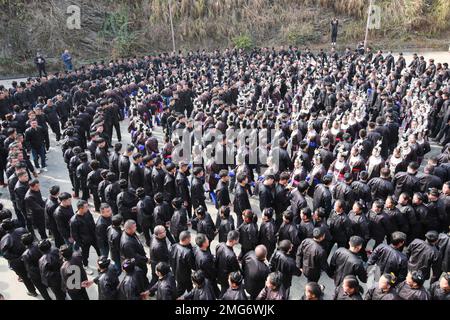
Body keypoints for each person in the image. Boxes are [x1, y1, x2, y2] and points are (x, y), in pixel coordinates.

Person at [0, 219, 37, 297]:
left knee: (25, 277)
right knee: (35, 271)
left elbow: (5, 254)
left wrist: (18, 257)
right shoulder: (22, 230)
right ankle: (42, 286)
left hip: (18, 261)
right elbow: (31, 238)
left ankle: (32, 291)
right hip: (29, 255)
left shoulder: (4, 239)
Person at [70, 200, 99, 273]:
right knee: (85, 255)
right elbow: (74, 235)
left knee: (99, 250)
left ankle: (102, 262)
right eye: (86, 207)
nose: (88, 208)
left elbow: (92, 223)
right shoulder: (74, 220)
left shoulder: (87, 213)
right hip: (84, 241)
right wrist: (81, 243)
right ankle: (85, 266)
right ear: (80, 208)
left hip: (93, 237)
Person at [21, 233, 52, 300]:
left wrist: (29, 275)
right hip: (45, 269)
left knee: (42, 289)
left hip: (36, 274)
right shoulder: (39, 245)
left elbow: (29, 268)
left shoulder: (25, 254)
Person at [170, 230, 195, 297]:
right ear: (186, 239)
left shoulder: (173, 246)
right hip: (184, 276)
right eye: (190, 238)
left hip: (176, 272)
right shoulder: (187, 252)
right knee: (181, 290)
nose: (190, 240)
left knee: (188, 287)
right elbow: (192, 265)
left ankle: (192, 296)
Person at [215, 230, 240, 296]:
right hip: (226, 279)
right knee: (225, 292)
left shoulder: (220, 245)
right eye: (238, 239)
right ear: (234, 240)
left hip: (219, 274)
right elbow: (236, 269)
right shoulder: (231, 256)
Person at [194, 233, 219, 297]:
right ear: (204, 244)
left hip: (203, 273)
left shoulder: (197, 248)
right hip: (208, 278)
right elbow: (211, 272)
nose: (208, 240)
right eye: (207, 239)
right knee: (214, 291)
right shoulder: (205, 259)